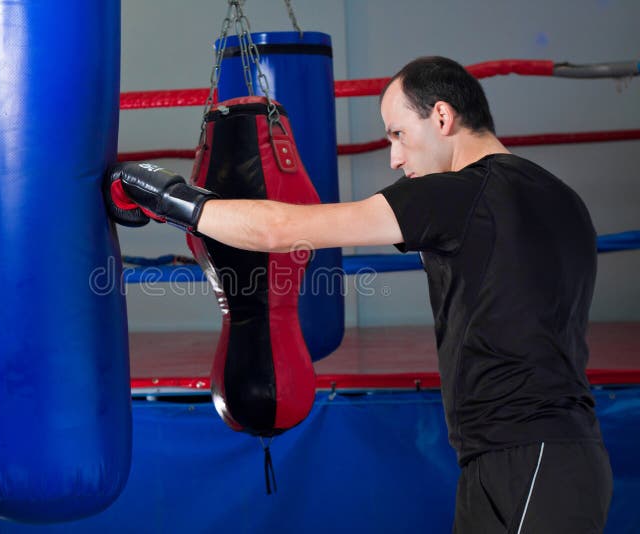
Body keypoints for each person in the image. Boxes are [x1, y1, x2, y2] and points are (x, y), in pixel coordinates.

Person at [106, 56, 613, 533]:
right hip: (558, 452)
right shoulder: (562, 198)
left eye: (398, 133)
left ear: (442, 117)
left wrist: (173, 199)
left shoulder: (460, 194)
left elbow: (281, 230)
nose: (393, 157)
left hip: (522, 455)